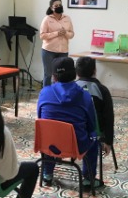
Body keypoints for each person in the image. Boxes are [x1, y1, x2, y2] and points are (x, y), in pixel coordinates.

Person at [37, 57, 101, 187]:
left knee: (48, 133)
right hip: (76, 146)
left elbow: (40, 118)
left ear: (54, 77)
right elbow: (91, 125)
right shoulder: (85, 96)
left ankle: (47, 174)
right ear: (75, 74)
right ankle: (88, 179)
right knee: (94, 138)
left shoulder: (44, 93)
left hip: (50, 145)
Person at [75, 56, 113, 154]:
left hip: (74, 131)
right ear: (94, 71)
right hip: (95, 132)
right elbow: (109, 117)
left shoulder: (71, 88)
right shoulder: (102, 90)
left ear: (77, 72)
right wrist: (108, 141)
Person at [39, 0, 74, 86]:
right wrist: (56, 33)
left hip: (63, 51)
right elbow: (42, 36)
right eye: (56, 5)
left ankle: (58, 92)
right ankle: (46, 93)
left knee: (61, 75)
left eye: (60, 5)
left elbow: (71, 34)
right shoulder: (47, 19)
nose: (59, 6)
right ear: (51, 8)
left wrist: (65, 33)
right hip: (48, 51)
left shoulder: (67, 18)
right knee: (48, 74)